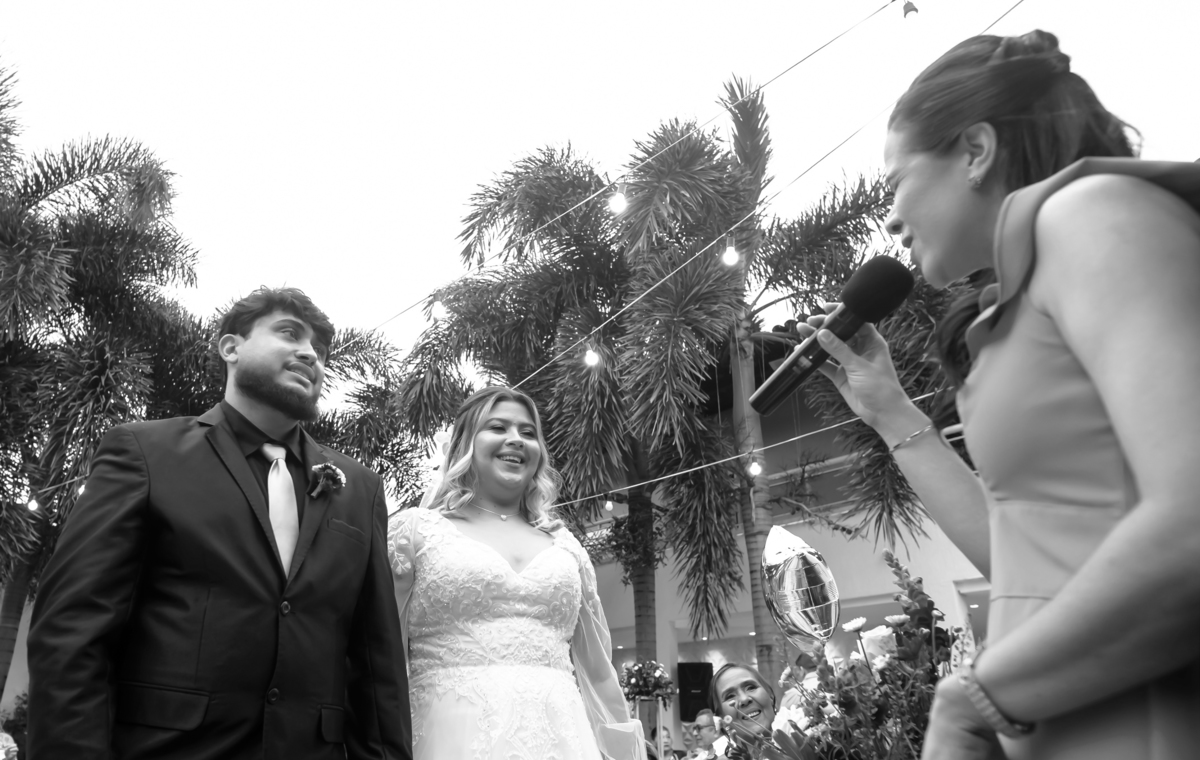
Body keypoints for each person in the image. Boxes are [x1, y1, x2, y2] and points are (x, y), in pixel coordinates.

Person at [799, 29, 1200, 759]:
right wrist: (891, 414)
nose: (888, 219)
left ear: (975, 151)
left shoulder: (1094, 216)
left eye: (895, 182)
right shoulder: (1031, 282)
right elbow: (1027, 561)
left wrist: (978, 694)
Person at [27, 287, 412, 760]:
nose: (310, 353)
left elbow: (376, 665)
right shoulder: (146, 454)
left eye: (319, 348)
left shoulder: (360, 489)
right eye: (289, 333)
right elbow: (74, 629)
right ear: (231, 348)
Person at [388, 386, 646, 759]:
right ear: (465, 443)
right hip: (449, 736)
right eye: (498, 427)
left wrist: (626, 752)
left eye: (528, 433)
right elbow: (386, 656)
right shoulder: (414, 532)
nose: (516, 440)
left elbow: (598, 670)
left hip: (563, 738)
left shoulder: (566, 546)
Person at [709, 663, 777, 759]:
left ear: (770, 694)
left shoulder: (805, 739)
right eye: (730, 696)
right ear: (721, 719)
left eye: (751, 687)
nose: (744, 699)